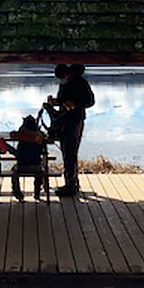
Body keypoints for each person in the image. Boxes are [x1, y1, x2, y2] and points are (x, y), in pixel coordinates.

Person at [46, 63, 94, 197]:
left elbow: (90, 101)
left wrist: (75, 104)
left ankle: (70, 185)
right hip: (64, 120)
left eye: (63, 77)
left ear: (68, 73)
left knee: (70, 152)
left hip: (75, 120)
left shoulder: (81, 83)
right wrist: (55, 101)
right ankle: (72, 182)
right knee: (67, 152)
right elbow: (63, 100)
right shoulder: (64, 84)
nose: (62, 80)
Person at [11, 114, 46, 201]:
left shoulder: (21, 134)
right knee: (40, 170)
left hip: (22, 166)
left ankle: (17, 193)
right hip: (36, 165)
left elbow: (12, 134)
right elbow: (42, 149)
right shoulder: (40, 136)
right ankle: (37, 192)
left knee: (13, 172)